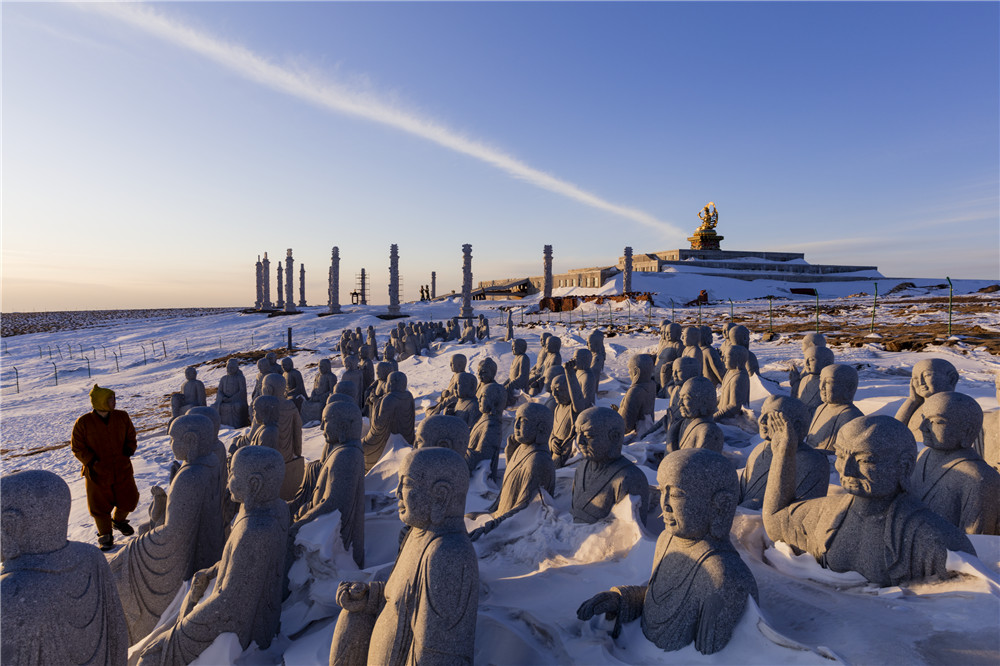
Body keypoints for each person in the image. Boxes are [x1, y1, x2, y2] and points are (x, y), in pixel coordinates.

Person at [762, 414, 975, 587]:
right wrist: (784, 454)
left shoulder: (933, 539)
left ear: (905, 466)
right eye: (841, 456)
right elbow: (775, 523)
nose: (847, 470)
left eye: (864, 460)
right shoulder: (827, 512)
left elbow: (964, 604)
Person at [72, 384, 140, 551]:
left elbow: (131, 435)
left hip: (122, 467)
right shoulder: (83, 422)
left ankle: (118, 521)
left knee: (130, 498)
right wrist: (92, 461)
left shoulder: (122, 416)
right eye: (110, 399)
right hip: (97, 472)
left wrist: (129, 448)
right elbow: (77, 447)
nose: (114, 402)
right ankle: (105, 536)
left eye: (114, 398)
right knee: (100, 506)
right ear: (100, 401)